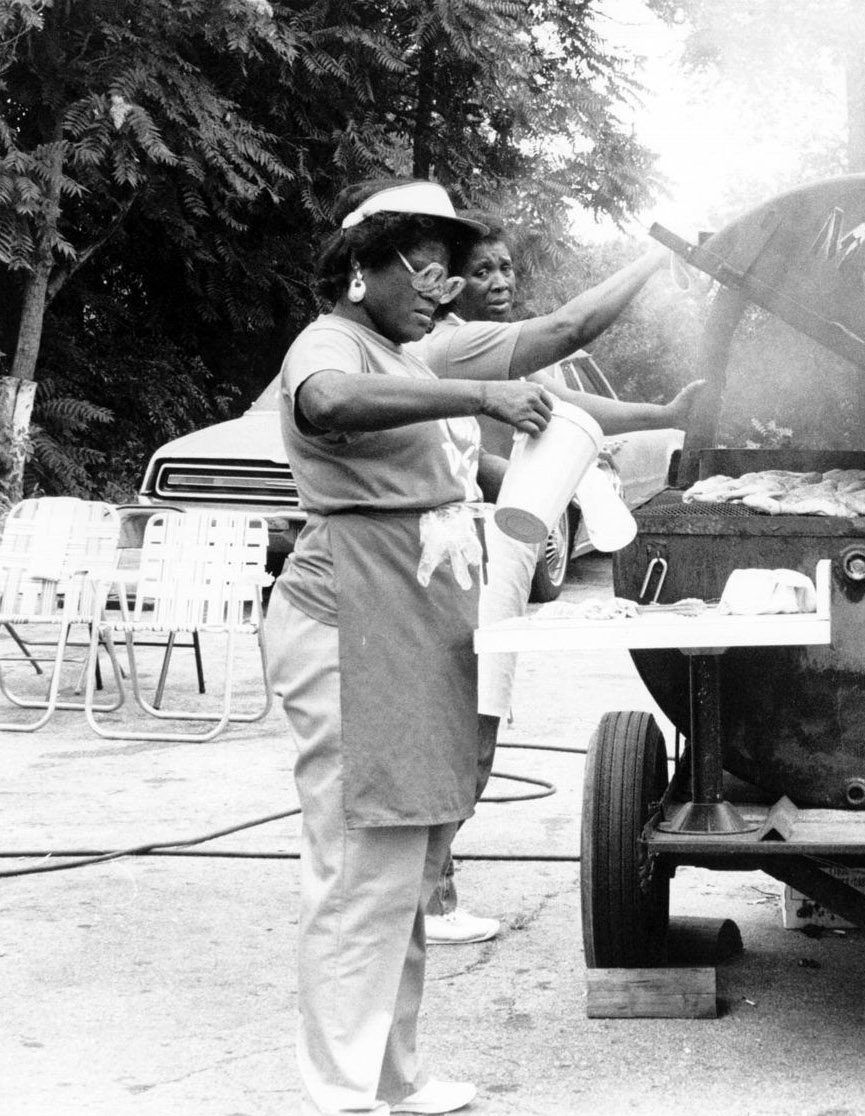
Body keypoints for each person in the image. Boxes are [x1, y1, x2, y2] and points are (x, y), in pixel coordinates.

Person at [265, 177, 556, 1116]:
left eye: (447, 271)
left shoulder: (402, 352)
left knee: (412, 859)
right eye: (422, 267)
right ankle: (342, 1091)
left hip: (413, 622)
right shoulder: (330, 342)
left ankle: (394, 1075)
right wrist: (480, 390)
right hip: (350, 621)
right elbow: (329, 401)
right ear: (359, 270)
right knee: (361, 864)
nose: (442, 286)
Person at [406, 219, 703, 944]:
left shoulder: (477, 356)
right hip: (439, 569)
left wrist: (656, 416)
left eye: (507, 268)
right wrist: (654, 259)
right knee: (458, 736)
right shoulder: (449, 342)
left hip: (478, 564)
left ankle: (429, 890)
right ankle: (424, 899)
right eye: (482, 272)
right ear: (447, 284)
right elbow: (574, 325)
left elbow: (568, 412)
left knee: (474, 735)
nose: (501, 282)